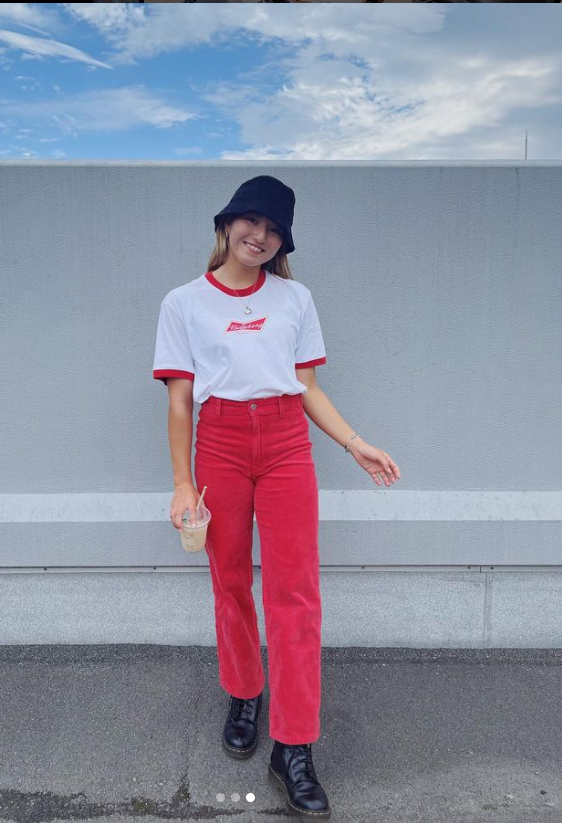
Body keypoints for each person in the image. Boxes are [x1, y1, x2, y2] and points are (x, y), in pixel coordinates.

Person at [152, 175, 401, 819]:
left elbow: (306, 384)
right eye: (251, 221)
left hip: (287, 443)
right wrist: (182, 481)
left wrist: (354, 442)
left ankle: (293, 745)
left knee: (296, 595)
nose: (259, 236)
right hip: (221, 445)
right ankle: (244, 691)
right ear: (227, 224)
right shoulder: (183, 302)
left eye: (273, 229)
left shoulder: (295, 299)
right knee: (231, 580)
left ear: (282, 241)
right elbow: (181, 401)